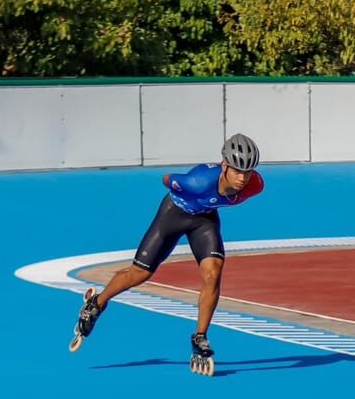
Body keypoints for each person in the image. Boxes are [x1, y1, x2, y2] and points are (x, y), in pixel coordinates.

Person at [69, 133, 265, 376]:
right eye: (237, 171)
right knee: (139, 274)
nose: (242, 178)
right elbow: (166, 179)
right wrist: (181, 189)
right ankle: (96, 304)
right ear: (224, 166)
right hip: (174, 214)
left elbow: (229, 193)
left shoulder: (255, 185)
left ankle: (200, 337)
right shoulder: (196, 181)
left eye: (247, 172)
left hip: (204, 220)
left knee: (213, 274)